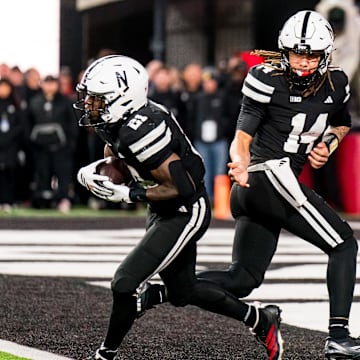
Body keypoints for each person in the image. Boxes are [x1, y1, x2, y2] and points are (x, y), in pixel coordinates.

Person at [139, 10, 360, 360]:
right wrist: (240, 163)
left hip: (262, 190)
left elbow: (342, 122)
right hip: (265, 176)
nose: (302, 63)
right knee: (344, 244)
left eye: (311, 55)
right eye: (296, 53)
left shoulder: (337, 84)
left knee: (242, 280)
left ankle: (157, 293)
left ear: (325, 54)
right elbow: (242, 136)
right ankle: (338, 336)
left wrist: (328, 144)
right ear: (283, 51)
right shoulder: (266, 78)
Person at [74, 54, 283, 360]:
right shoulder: (118, 121)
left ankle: (105, 355)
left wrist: (128, 195)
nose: (91, 105)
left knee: (124, 283)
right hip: (166, 206)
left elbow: (180, 187)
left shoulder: (140, 130)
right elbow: (123, 158)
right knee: (184, 290)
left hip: (186, 209)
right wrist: (104, 170)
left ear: (122, 97)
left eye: (97, 99)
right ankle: (260, 319)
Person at [28, 75, 78, 212]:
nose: (50, 87)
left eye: (52, 83)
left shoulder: (66, 102)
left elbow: (73, 123)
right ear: (42, 84)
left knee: (63, 173)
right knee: (42, 173)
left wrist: (70, 141)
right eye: (47, 83)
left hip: (61, 146)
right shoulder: (34, 101)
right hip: (40, 146)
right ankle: (44, 199)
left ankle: (63, 198)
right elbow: (28, 123)